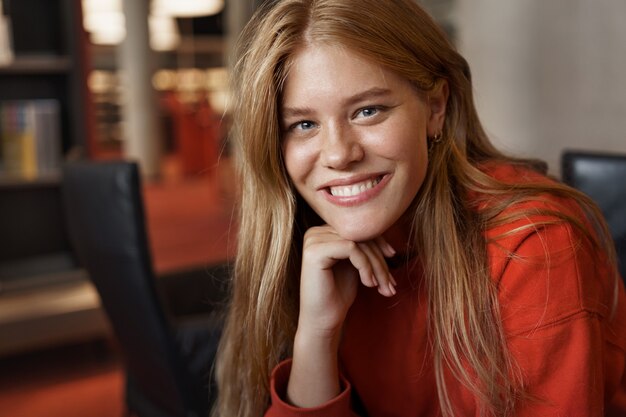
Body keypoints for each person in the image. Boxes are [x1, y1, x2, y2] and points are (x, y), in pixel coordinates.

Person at [212, 0, 626, 416]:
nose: (338, 154)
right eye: (303, 125)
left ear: (435, 107)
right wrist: (317, 335)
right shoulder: (315, 251)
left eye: (368, 111)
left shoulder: (533, 245)